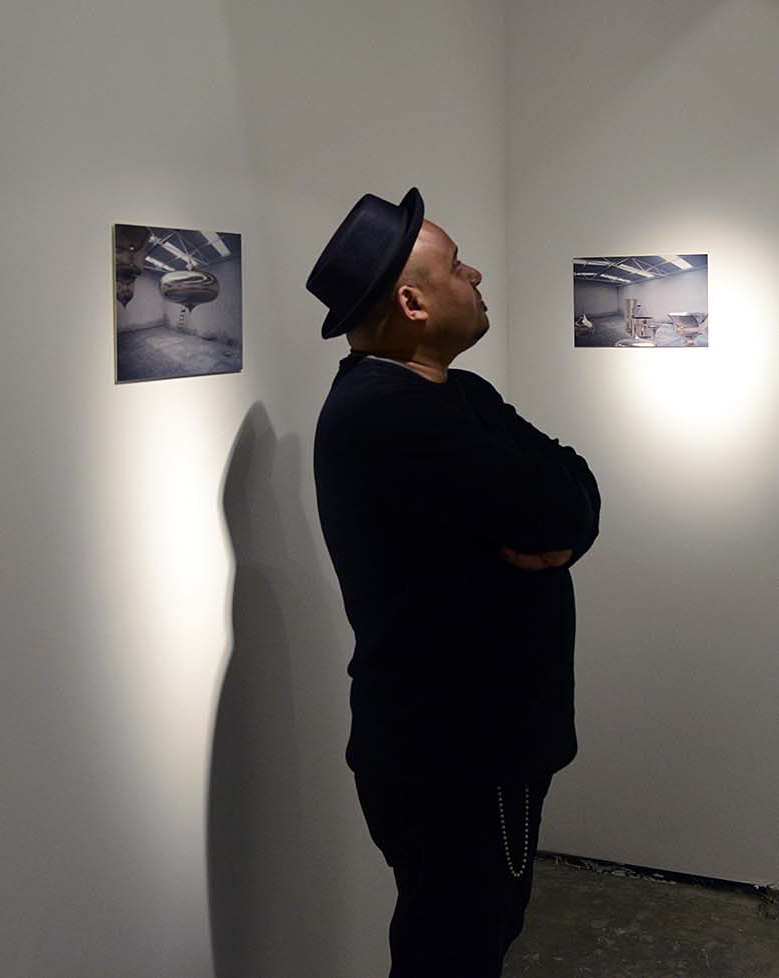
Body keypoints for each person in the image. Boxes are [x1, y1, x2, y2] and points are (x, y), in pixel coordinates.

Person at [306, 187, 602, 977]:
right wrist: (559, 521)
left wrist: (564, 524)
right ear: (412, 302)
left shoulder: (458, 394)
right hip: (454, 756)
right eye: (456, 265)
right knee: (452, 951)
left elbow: (575, 486)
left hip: (475, 746)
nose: (474, 275)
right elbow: (553, 506)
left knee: (477, 936)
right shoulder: (388, 415)